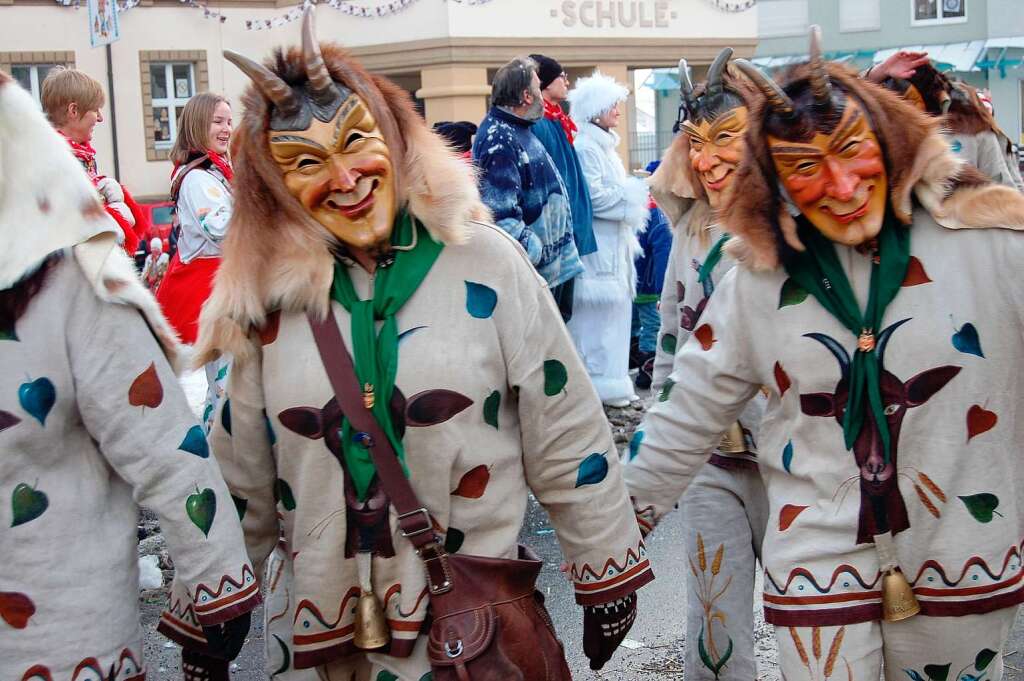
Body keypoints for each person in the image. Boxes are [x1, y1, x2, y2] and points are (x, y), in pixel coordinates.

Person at [158, 11, 653, 678]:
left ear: (392, 136)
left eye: (355, 141)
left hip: (468, 634)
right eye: (306, 162)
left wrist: (606, 565)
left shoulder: (485, 262)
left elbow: (562, 420)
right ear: (275, 183)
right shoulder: (269, 303)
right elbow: (237, 473)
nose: (343, 177)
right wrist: (207, 609)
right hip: (317, 636)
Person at [627, 26, 1024, 678]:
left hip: (962, 555)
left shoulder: (992, 243)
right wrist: (606, 538)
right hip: (819, 557)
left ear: (889, 141)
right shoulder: (759, 274)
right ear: (777, 177)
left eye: (851, 152)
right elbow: (684, 404)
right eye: (806, 168)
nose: (840, 185)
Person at [0, 69, 258, 680]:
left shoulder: (65, 283)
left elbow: (163, 440)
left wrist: (214, 584)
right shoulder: (201, 179)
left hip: (53, 637)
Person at [635, 50, 769, 680]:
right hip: (709, 461)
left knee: (814, 612)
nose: (709, 160)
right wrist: (654, 437)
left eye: (726, 141)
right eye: (695, 143)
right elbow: (669, 342)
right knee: (712, 623)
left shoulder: (799, 230)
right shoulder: (689, 233)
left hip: (791, 462)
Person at [472, 56, 583, 321]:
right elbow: (501, 216)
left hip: (552, 272)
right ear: (525, 96)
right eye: (537, 88)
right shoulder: (498, 139)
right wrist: (538, 253)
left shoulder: (519, 129)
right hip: (537, 277)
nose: (542, 98)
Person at [566, 70, 648, 408]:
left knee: (614, 321)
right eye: (612, 104)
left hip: (614, 251)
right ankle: (596, 386)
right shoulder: (586, 147)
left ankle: (612, 383)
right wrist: (634, 194)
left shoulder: (605, 147)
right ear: (595, 109)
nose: (618, 109)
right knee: (596, 324)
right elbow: (595, 198)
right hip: (599, 253)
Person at [154, 92, 234, 431]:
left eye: (229, 121)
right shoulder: (199, 178)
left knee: (227, 383)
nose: (227, 128)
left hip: (218, 286)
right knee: (223, 385)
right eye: (218, 121)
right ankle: (216, 451)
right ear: (197, 124)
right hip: (209, 292)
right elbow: (222, 229)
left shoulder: (214, 173)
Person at [40, 67, 148, 257]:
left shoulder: (75, 155)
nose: (100, 117)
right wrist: (109, 219)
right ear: (73, 110)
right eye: (95, 110)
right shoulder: (53, 161)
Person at [873, 61, 1024, 191]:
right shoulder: (887, 137)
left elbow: (1004, 191)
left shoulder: (974, 131)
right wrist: (877, 72)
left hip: (972, 219)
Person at [530, 53, 599, 322]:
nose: (567, 82)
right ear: (545, 82)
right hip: (555, 235)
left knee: (564, 314)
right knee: (553, 315)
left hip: (568, 233)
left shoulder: (557, 120)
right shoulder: (540, 124)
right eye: (562, 76)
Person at [631, 159, 672, 391]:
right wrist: (662, 291)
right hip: (649, 286)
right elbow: (663, 258)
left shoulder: (640, 210)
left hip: (632, 281)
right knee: (652, 326)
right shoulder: (660, 218)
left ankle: (631, 359)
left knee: (636, 324)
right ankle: (647, 370)